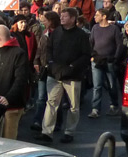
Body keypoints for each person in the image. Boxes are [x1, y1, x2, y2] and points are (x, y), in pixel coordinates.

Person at [39, 8, 92, 144]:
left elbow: (86, 55)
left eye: (64, 16)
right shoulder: (56, 32)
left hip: (72, 75)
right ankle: (47, 132)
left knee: (73, 106)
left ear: (73, 18)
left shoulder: (81, 35)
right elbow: (49, 49)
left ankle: (69, 132)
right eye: (61, 16)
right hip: (55, 73)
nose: (61, 18)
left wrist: (72, 67)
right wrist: (50, 63)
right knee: (51, 103)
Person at [89, 9, 122, 118]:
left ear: (104, 16)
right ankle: (95, 109)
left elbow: (119, 45)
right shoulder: (95, 28)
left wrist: (115, 58)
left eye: (97, 15)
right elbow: (91, 43)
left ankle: (114, 105)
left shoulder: (114, 29)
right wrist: (92, 56)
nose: (95, 17)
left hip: (109, 61)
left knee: (111, 85)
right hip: (97, 60)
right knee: (97, 86)